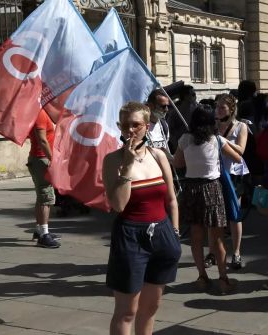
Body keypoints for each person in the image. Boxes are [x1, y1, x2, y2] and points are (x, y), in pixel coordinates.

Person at [102, 102, 181, 335]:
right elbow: (117, 204)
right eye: (125, 125)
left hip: (162, 234)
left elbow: (172, 200)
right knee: (127, 311)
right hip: (130, 236)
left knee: (151, 308)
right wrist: (126, 167)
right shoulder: (113, 160)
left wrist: (174, 234)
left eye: (135, 125)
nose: (130, 130)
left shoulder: (158, 156)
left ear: (147, 126)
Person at [174, 105, 242, 294]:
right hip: (212, 189)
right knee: (217, 238)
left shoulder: (185, 139)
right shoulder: (217, 140)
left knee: (196, 236)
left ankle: (202, 276)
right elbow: (237, 158)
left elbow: (178, 162)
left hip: (192, 188)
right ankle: (223, 278)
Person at [215, 93, 250, 270]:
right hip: (214, 173)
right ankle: (216, 250)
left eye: (222, 107)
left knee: (234, 214)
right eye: (217, 107)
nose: (218, 110)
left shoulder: (240, 126)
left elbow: (241, 150)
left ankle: (236, 252)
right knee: (217, 214)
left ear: (231, 109)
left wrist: (222, 141)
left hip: (234, 174)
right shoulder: (213, 126)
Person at [27, 109, 60, 248]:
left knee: (41, 196)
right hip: (42, 159)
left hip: (39, 158)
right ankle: (43, 235)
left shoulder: (40, 112)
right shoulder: (39, 113)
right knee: (46, 197)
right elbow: (42, 139)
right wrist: (52, 159)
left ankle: (39, 230)